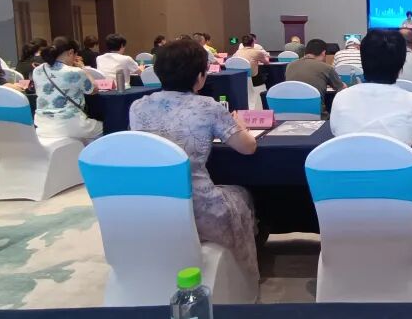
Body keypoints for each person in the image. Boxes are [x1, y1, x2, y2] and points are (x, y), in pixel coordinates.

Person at [129, 39, 260, 284]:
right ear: (200, 76)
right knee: (242, 194)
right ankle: (242, 277)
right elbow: (247, 147)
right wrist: (240, 126)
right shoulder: (207, 106)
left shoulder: (138, 106)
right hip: (199, 207)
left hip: (148, 203)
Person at [329, 29, 412, 224]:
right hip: (402, 203)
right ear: (401, 64)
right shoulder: (410, 100)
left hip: (346, 201)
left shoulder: (341, 98)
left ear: (363, 61)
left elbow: (337, 136)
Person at [32, 37, 103, 141]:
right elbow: (94, 89)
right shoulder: (75, 72)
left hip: (42, 125)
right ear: (71, 52)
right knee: (107, 128)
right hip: (69, 124)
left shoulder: (38, 70)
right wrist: (83, 68)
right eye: (75, 55)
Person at [285, 38, 345, 117]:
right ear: (323, 53)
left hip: (289, 115)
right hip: (317, 116)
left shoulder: (290, 66)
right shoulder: (326, 68)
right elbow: (342, 89)